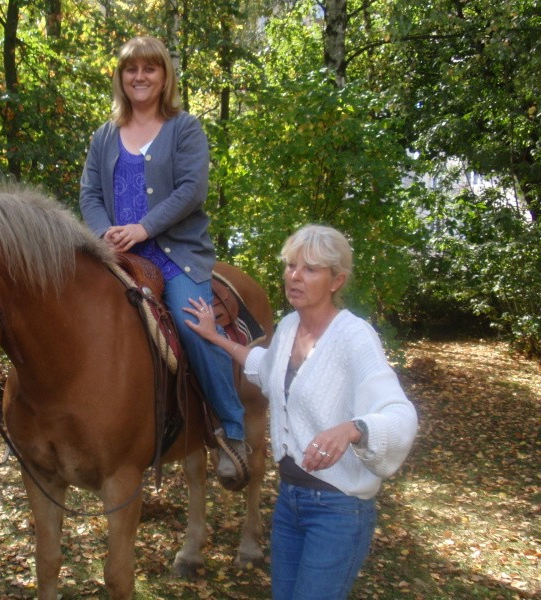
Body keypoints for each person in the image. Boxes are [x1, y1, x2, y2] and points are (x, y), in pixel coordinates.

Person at [184, 224, 418, 599]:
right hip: (290, 501)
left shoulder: (354, 336)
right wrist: (217, 337)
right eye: (291, 265)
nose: (294, 276)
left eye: (310, 269)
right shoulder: (290, 327)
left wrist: (353, 429)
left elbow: (399, 414)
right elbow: (265, 369)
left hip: (338, 509)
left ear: (336, 280)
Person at [79, 36, 249, 486]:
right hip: (115, 256)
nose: (140, 77)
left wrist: (143, 228)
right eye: (131, 69)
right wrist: (104, 233)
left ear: (164, 76)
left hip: (174, 258)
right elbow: (90, 194)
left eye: (149, 68)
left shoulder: (184, 128)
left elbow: (192, 190)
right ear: (120, 77)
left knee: (195, 326)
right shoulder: (104, 136)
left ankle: (232, 429)